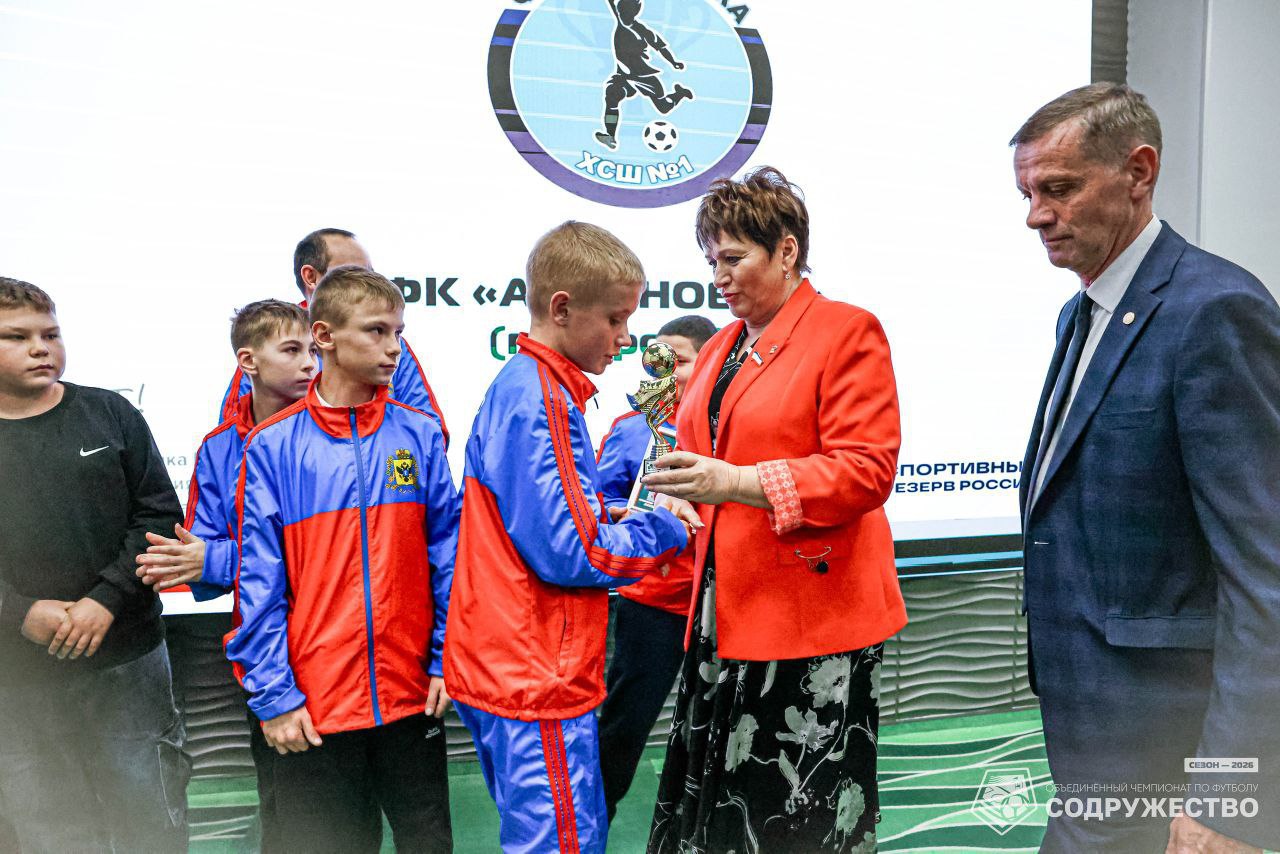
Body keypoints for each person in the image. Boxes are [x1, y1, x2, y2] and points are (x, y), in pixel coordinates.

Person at [1012, 83, 1280, 852]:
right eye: (1028, 194)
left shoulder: (1215, 311)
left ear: (1138, 171)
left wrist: (1228, 800)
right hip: (1091, 732)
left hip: (1170, 747)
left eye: (1059, 189)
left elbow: (1266, 578)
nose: (1035, 215)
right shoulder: (1079, 313)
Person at [642, 167, 905, 853]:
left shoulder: (846, 331)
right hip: (723, 604)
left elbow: (866, 471)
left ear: (786, 251)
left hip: (809, 620)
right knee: (723, 801)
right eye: (712, 262)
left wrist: (734, 480)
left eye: (733, 259)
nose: (719, 278)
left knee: (791, 811)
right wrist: (677, 488)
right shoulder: (722, 345)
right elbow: (700, 451)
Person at [443, 221, 700, 854]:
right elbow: (576, 551)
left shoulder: (532, 388)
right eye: (615, 319)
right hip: (533, 674)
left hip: (518, 663)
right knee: (564, 843)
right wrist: (668, 524)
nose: (626, 337)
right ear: (562, 309)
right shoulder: (541, 398)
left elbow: (556, 518)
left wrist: (623, 514)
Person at [224, 267, 459, 853]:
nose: (393, 347)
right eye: (377, 331)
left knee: (429, 843)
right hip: (315, 708)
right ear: (324, 336)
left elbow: (449, 560)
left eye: (399, 332)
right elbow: (258, 586)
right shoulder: (271, 446)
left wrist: (445, 659)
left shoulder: (419, 435)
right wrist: (275, 698)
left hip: (413, 697)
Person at [0, 277, 189, 852]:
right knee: (47, 827)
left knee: (149, 818)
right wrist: (18, 612)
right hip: (16, 675)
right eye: (17, 337)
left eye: (51, 334)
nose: (41, 348)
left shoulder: (109, 412)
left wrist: (105, 599)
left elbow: (159, 515)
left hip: (127, 657)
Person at [136, 298, 316, 853]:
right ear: (248, 361)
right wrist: (209, 563)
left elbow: (330, 552)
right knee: (283, 803)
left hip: (344, 642)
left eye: (314, 349)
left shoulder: (344, 433)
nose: (310, 363)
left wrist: (217, 560)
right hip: (270, 653)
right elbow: (199, 564)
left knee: (356, 807)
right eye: (293, 349)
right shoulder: (219, 450)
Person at [595, 313, 717, 821]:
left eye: (678, 362)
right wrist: (623, 513)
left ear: (711, 364)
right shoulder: (630, 430)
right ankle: (591, 822)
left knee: (720, 726)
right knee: (624, 722)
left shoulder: (731, 428)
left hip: (720, 604)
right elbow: (596, 499)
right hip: (651, 605)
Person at [217, 227, 449, 444]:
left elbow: (429, 432)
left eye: (370, 273)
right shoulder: (270, 339)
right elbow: (236, 435)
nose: (366, 282)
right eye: (352, 272)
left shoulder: (394, 345)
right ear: (311, 277)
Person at [593, 0, 694, 151]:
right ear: (619, 12)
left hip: (644, 77)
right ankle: (610, 136)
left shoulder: (643, 31)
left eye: (628, 13)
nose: (624, 15)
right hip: (623, 77)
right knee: (612, 95)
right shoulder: (620, 22)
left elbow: (661, 47)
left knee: (663, 108)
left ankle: (680, 93)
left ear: (635, 12)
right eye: (621, 12)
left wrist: (674, 62)